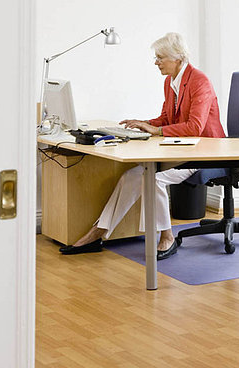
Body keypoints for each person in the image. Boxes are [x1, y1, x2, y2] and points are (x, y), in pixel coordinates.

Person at [60, 32, 225, 260]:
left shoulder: (200, 81)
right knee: (132, 176)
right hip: (180, 148)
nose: (156, 62)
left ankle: (166, 236)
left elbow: (195, 127)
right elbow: (168, 118)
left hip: (203, 152)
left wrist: (156, 131)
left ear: (177, 58)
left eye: (160, 57)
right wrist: (144, 123)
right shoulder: (170, 82)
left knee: (152, 179)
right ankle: (98, 232)